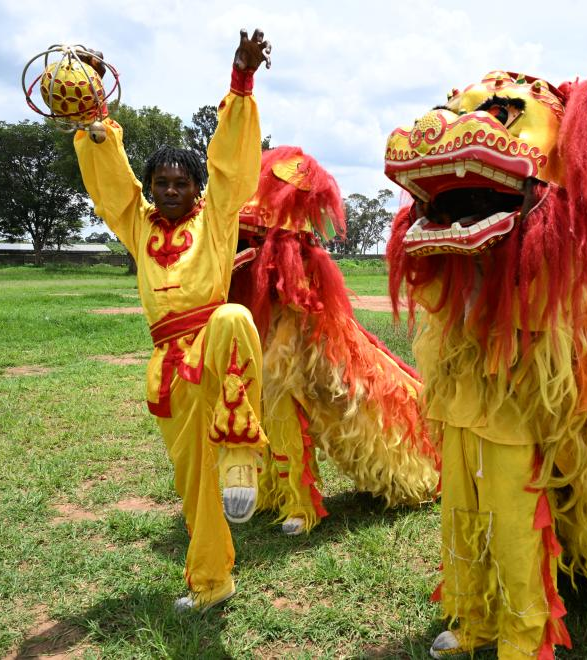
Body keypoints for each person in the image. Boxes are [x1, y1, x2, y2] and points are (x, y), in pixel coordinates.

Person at [385, 72, 587, 658]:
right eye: (457, 109)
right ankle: (473, 615)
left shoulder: (551, 268)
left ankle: (523, 633)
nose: (468, 118)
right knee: (461, 512)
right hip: (460, 402)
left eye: (503, 112)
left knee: (513, 519)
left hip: (511, 410)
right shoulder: (449, 257)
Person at [73, 29, 272, 613]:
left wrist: (240, 79)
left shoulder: (216, 218)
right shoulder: (137, 223)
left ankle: (241, 454)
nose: (171, 189)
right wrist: (93, 108)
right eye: (161, 182)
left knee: (235, 314)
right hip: (169, 368)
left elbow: (232, 166)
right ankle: (212, 581)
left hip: (216, 342)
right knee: (192, 485)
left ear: (195, 189)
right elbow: (112, 183)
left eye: (182, 182)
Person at [228, 146, 440, 536]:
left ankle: (299, 502)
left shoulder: (301, 245)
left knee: (290, 402)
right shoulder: (241, 222)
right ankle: (273, 493)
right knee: (263, 406)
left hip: (303, 336)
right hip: (263, 331)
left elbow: (308, 297)